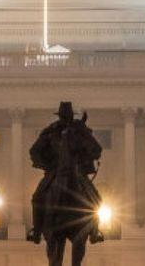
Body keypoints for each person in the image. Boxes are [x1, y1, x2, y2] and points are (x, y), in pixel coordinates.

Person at [27, 101, 104, 245]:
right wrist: (45, 164)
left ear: (71, 116)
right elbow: (34, 151)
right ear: (60, 116)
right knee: (37, 197)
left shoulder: (80, 130)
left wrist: (90, 155)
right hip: (54, 172)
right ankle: (36, 231)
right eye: (63, 116)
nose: (65, 118)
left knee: (96, 199)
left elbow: (96, 148)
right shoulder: (51, 131)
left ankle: (95, 231)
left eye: (67, 116)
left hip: (78, 172)